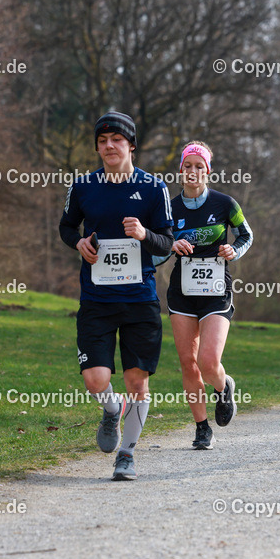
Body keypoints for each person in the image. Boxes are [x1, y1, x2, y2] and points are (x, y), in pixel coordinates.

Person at [59, 111, 174, 481]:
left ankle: (127, 453)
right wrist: (77, 241)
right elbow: (65, 226)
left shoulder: (154, 189)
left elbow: (168, 242)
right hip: (96, 299)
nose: (109, 146)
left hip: (139, 298)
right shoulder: (83, 186)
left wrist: (143, 235)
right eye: (102, 141)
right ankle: (112, 410)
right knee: (95, 379)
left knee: (137, 381)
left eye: (117, 140)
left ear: (131, 146)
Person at [154, 141, 253, 450]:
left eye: (199, 166)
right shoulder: (169, 208)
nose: (193, 171)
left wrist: (232, 250)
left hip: (216, 290)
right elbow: (157, 246)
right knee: (188, 363)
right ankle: (201, 427)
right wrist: (171, 245)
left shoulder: (225, 204)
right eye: (188, 166)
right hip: (181, 292)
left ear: (208, 171)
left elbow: (246, 235)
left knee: (208, 361)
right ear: (181, 170)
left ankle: (224, 388)